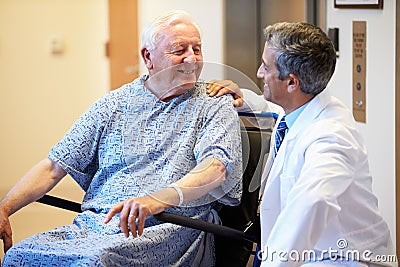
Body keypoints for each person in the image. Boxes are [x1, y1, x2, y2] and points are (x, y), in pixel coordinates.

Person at [0, 10, 243, 266]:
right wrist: (5, 208)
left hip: (166, 227)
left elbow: (216, 168)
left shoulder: (213, 102)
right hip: (97, 225)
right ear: (148, 57)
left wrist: (154, 201)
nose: (192, 58)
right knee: (19, 256)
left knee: (92, 262)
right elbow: (54, 166)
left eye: (197, 48)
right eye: (179, 49)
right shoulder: (114, 104)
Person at [207, 22, 396, 266]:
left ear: (292, 83)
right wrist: (244, 100)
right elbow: (276, 112)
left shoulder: (332, 138)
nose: (258, 73)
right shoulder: (304, 106)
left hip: (339, 259)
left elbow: (313, 202)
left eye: (266, 67)